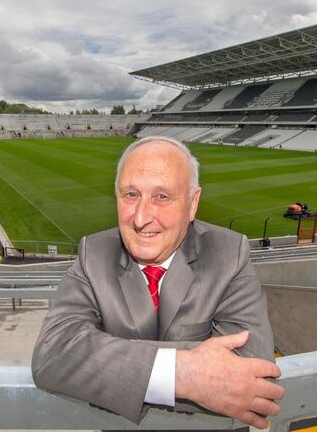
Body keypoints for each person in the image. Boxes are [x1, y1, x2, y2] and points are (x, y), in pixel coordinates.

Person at [32, 136, 283, 429]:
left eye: (162, 197)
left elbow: (250, 371)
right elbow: (54, 352)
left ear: (193, 204)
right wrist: (182, 373)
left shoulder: (228, 253)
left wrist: (114, 365)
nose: (140, 218)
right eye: (130, 195)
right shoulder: (94, 253)